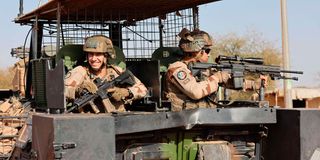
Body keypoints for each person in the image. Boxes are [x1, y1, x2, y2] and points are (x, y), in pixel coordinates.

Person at [165, 28, 267, 111]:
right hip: (182, 120)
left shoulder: (205, 69)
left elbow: (228, 81)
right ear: (196, 51)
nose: (209, 54)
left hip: (204, 118)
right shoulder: (177, 68)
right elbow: (195, 92)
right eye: (207, 50)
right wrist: (217, 78)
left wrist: (255, 84)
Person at [65, 35, 147, 113]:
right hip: (89, 120)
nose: (93, 59)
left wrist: (125, 92)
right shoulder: (80, 71)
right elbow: (62, 91)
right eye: (90, 54)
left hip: (118, 118)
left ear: (106, 56)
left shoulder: (116, 72)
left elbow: (143, 89)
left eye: (98, 54)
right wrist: (79, 89)